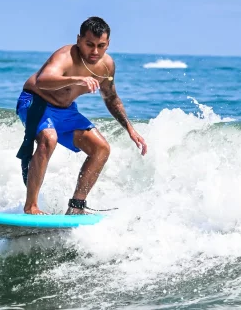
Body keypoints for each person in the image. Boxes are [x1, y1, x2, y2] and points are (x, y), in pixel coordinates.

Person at [15, 16, 147, 215]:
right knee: (48, 139)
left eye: (101, 46)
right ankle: (31, 206)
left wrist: (130, 129)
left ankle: (76, 207)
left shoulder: (107, 66)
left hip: (66, 110)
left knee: (101, 148)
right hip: (36, 102)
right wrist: (77, 79)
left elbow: (111, 97)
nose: (95, 52)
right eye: (89, 44)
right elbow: (42, 81)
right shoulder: (65, 56)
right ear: (79, 40)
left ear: (108, 44)